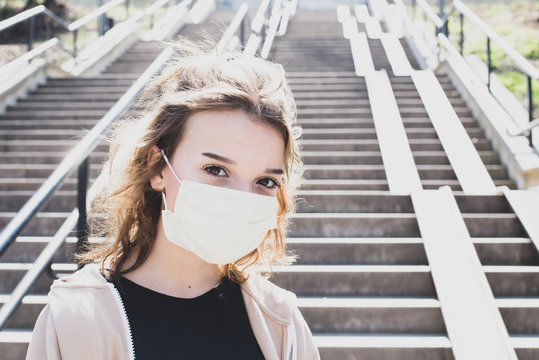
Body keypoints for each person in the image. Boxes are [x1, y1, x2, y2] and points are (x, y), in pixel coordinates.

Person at [26, 38, 320, 360]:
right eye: (216, 169)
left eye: (266, 180)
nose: (242, 198)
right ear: (157, 168)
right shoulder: (74, 320)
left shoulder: (282, 323)